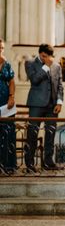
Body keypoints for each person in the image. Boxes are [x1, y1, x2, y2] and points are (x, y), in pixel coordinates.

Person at [25, 44, 64, 171]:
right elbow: (34, 80)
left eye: (48, 57)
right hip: (36, 104)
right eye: (43, 56)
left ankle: (48, 162)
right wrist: (46, 66)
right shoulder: (30, 63)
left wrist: (59, 102)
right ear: (40, 53)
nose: (46, 59)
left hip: (52, 106)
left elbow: (60, 85)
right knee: (32, 134)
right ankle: (30, 164)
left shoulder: (57, 66)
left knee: (50, 134)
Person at [0, 39, 17, 174]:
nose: (1, 50)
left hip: (5, 101)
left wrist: (11, 97)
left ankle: (8, 165)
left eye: (2, 48)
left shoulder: (7, 64)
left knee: (7, 132)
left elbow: (11, 81)